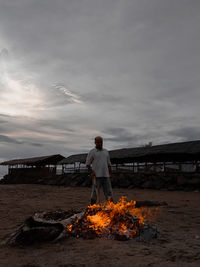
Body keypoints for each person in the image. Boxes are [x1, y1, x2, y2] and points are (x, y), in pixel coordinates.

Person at [86, 136, 113, 205]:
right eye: (98, 142)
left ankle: (112, 207)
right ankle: (92, 207)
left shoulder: (106, 152)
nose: (100, 143)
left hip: (106, 176)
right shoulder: (92, 152)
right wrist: (91, 172)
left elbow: (109, 164)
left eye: (101, 142)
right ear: (95, 143)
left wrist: (110, 174)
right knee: (95, 193)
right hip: (96, 176)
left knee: (109, 192)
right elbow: (88, 164)